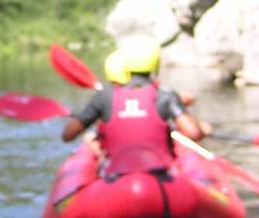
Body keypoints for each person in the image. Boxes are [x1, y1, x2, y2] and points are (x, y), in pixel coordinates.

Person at [60, 37, 205, 174]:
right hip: (159, 176)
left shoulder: (104, 96)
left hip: (116, 176)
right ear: (156, 64)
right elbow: (194, 132)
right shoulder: (165, 95)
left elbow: (67, 135)